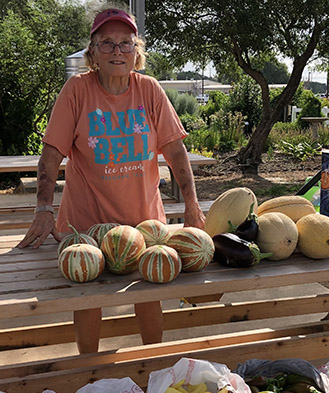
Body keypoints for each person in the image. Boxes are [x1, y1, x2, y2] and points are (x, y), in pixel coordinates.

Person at [18, 4, 205, 354]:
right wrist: (44, 208)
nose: (117, 51)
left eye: (125, 44)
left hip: (145, 223)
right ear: (93, 53)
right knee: (89, 298)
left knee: (151, 293)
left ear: (137, 52)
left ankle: (152, 363)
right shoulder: (77, 90)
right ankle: (91, 371)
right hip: (86, 225)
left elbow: (176, 152)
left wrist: (192, 205)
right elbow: (51, 155)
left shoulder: (149, 90)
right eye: (107, 43)